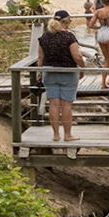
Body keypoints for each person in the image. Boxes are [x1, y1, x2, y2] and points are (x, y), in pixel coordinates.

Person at [36, 12, 86, 142]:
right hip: (67, 73)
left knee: (53, 104)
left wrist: (39, 72)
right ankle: (68, 135)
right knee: (66, 105)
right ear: (65, 22)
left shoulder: (44, 37)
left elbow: (40, 57)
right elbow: (77, 56)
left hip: (49, 72)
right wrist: (83, 67)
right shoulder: (68, 37)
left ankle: (56, 134)